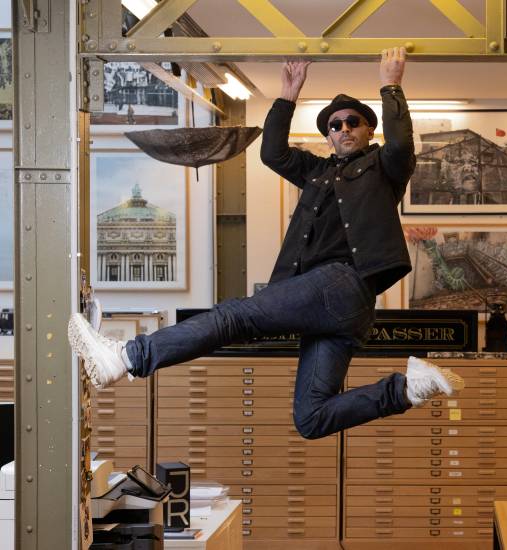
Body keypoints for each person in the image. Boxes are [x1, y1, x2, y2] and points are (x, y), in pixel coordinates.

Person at [68, 47, 465, 440]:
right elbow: (273, 153)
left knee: (233, 318)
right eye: (335, 124)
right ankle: (407, 389)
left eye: (353, 122)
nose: (343, 128)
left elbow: (400, 145)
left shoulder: (384, 168)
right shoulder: (318, 172)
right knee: (311, 418)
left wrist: (391, 86)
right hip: (344, 309)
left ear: (367, 131)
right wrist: (287, 97)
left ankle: (126, 357)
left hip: (343, 282)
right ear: (328, 136)